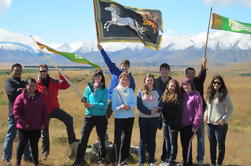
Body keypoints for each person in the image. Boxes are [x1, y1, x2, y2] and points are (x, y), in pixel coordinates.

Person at [37, 64, 78, 160]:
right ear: (39, 72)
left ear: (47, 71)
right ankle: (45, 152)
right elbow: (29, 90)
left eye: (44, 71)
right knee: (44, 132)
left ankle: (72, 141)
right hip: (43, 112)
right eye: (41, 71)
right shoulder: (37, 84)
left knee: (69, 119)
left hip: (54, 109)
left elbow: (66, 84)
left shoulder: (54, 82)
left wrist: (61, 74)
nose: (43, 72)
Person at [72, 70, 108, 166]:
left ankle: (101, 160)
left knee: (101, 139)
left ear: (102, 78)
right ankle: (79, 161)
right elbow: (86, 101)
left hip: (101, 117)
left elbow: (104, 104)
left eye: (99, 76)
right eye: (96, 76)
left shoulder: (104, 89)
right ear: (93, 77)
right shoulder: (88, 88)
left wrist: (92, 105)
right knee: (83, 138)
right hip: (89, 116)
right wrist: (85, 101)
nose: (97, 78)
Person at [13, 78, 48, 166]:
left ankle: (36, 163)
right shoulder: (20, 97)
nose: (32, 87)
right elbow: (16, 112)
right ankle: (18, 163)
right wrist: (24, 123)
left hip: (36, 127)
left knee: (34, 146)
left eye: (34, 85)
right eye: (30, 85)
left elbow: (45, 111)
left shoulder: (40, 97)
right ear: (26, 86)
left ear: (36, 86)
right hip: (24, 128)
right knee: (22, 145)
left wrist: (44, 123)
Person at [2, 63, 32, 166]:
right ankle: (6, 158)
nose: (18, 72)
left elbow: (32, 91)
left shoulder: (24, 82)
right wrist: (25, 91)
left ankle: (27, 156)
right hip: (14, 114)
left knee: (25, 136)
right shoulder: (8, 81)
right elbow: (12, 93)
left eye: (20, 70)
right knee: (11, 135)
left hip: (25, 113)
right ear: (12, 71)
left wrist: (23, 90)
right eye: (16, 70)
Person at [97, 43, 135, 119]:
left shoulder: (131, 78)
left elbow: (132, 90)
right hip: (111, 98)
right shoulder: (116, 72)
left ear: (129, 67)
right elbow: (109, 62)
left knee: (124, 119)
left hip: (123, 100)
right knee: (103, 117)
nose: (124, 67)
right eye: (123, 65)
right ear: (120, 66)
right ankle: (103, 130)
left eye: (126, 65)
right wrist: (101, 50)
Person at [204, 75, 233, 166]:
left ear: (221, 84)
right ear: (212, 83)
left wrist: (223, 119)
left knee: (220, 146)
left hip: (220, 125)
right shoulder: (210, 93)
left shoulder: (224, 95)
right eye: (214, 82)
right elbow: (207, 108)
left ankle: (219, 163)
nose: (216, 84)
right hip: (210, 124)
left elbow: (230, 109)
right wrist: (205, 115)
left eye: (218, 83)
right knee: (212, 145)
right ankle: (213, 163)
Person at [185, 56, 207, 165]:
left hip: (200, 114)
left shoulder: (198, 81)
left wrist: (203, 64)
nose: (191, 75)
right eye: (189, 73)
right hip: (188, 116)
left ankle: (200, 160)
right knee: (188, 139)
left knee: (201, 139)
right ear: (186, 75)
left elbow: (202, 74)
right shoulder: (184, 85)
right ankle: (188, 160)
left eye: (192, 73)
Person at [111, 72, 136, 166]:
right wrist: (120, 107)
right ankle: (116, 160)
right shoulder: (115, 90)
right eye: (122, 79)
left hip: (130, 117)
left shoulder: (131, 90)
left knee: (127, 139)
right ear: (119, 80)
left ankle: (124, 161)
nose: (124, 81)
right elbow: (113, 107)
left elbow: (134, 104)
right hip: (119, 118)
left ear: (129, 81)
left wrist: (129, 107)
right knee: (117, 140)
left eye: (126, 79)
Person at [137, 74, 160, 166]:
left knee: (152, 139)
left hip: (154, 119)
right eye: (148, 80)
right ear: (145, 81)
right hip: (143, 119)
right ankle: (141, 161)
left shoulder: (157, 91)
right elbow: (139, 105)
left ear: (153, 81)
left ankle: (151, 161)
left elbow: (162, 104)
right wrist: (148, 112)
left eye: (151, 80)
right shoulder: (140, 92)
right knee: (143, 140)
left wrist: (157, 109)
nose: (149, 82)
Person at [180, 77, 203, 166]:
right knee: (184, 145)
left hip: (191, 125)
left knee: (187, 145)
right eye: (184, 85)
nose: (185, 86)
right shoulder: (183, 95)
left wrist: (195, 125)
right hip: (182, 125)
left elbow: (199, 112)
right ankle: (186, 161)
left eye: (187, 84)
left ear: (191, 85)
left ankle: (188, 163)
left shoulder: (196, 95)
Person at [159, 79, 181, 166]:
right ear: (168, 86)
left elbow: (178, 112)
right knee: (167, 141)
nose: (172, 88)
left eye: (174, 86)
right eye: (171, 86)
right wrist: (160, 122)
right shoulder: (165, 95)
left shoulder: (178, 96)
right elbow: (161, 110)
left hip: (173, 124)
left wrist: (173, 125)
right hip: (165, 122)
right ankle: (167, 158)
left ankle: (172, 159)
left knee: (173, 142)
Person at [154, 63, 172, 163]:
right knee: (152, 134)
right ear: (160, 70)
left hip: (167, 112)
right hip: (156, 111)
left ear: (168, 70)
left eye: (166, 69)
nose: (164, 71)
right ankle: (150, 157)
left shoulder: (172, 82)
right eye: (162, 69)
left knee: (167, 137)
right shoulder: (155, 82)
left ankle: (165, 158)